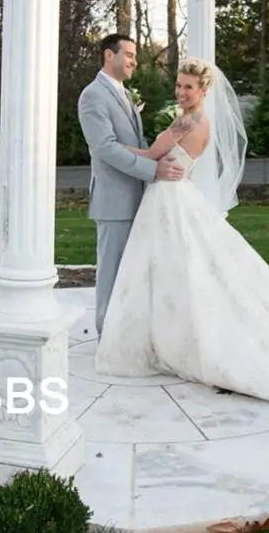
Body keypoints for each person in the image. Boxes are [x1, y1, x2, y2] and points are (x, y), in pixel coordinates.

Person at [93, 58, 269, 411]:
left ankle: (173, 337)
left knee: (171, 268)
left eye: (188, 87)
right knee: (182, 267)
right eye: (178, 85)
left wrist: (106, 147)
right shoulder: (202, 121)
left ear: (203, 90)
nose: (181, 91)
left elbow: (149, 154)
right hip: (177, 194)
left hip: (168, 198)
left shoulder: (186, 121)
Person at [77, 34, 184, 340]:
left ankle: (128, 335)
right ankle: (107, 337)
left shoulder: (122, 93)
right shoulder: (93, 95)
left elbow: (136, 145)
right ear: (108, 56)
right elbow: (106, 148)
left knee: (134, 273)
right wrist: (154, 170)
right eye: (129, 54)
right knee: (112, 273)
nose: (135, 61)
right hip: (114, 200)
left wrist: (165, 155)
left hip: (137, 196)